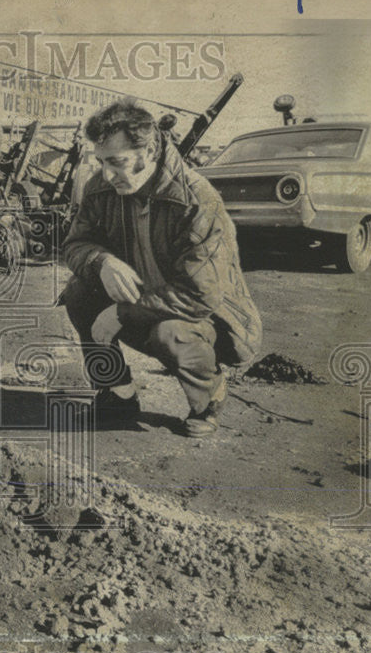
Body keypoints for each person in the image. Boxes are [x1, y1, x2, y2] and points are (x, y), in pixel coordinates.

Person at [60, 97, 262, 437]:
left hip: (213, 322)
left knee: (171, 334)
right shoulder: (101, 187)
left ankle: (208, 398)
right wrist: (102, 261)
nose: (107, 175)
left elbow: (200, 295)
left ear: (150, 151)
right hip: (148, 303)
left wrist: (122, 313)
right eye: (101, 162)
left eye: (117, 162)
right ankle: (117, 393)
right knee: (78, 293)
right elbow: (74, 245)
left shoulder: (198, 200)